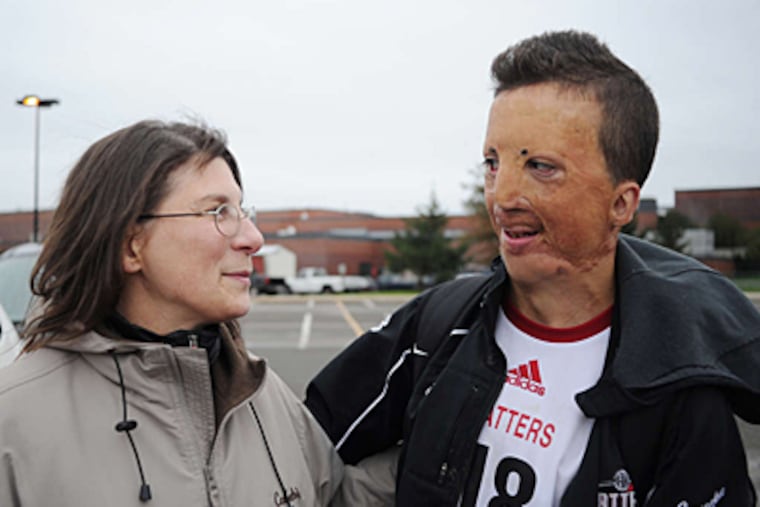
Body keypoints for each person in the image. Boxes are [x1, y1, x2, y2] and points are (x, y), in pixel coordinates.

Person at [305, 30, 760, 506]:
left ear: (621, 203)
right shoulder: (435, 330)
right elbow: (297, 453)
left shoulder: (678, 390)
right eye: (492, 162)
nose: (501, 197)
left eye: (541, 166)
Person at [0, 120, 393, 506]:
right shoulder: (14, 421)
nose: (253, 238)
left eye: (242, 210)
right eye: (218, 212)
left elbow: (333, 498)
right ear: (130, 246)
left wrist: (441, 441)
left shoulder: (259, 391)